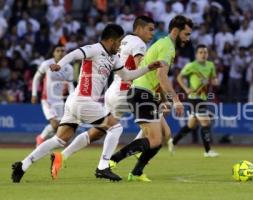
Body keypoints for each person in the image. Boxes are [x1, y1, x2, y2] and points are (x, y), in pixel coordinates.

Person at [11, 24, 162, 183]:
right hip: (83, 101)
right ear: (111, 41)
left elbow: (127, 75)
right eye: (118, 42)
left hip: (76, 102)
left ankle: (22, 165)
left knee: (60, 139)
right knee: (115, 127)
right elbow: (74, 54)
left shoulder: (113, 57)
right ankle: (103, 167)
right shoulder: (95, 49)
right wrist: (60, 64)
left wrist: (148, 68)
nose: (119, 46)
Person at [49, 16, 171, 180]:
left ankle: (62, 156)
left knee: (99, 131)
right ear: (139, 28)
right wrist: (158, 93)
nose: (152, 33)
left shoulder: (125, 40)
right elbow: (137, 66)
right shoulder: (139, 44)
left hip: (113, 90)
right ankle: (112, 162)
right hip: (125, 92)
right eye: (150, 29)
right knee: (157, 127)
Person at [109, 15, 193, 182]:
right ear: (177, 30)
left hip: (145, 93)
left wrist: (163, 101)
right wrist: (176, 100)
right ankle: (113, 160)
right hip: (142, 93)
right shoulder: (168, 47)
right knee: (155, 139)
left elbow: (156, 78)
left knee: (162, 135)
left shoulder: (164, 44)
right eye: (187, 34)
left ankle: (136, 172)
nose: (188, 38)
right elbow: (162, 76)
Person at [169, 44, 220, 157]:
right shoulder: (191, 66)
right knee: (205, 122)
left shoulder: (211, 65)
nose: (203, 54)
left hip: (203, 98)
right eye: (201, 52)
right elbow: (179, 77)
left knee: (191, 126)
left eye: (205, 52)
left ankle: (173, 141)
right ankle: (208, 151)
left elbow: (214, 79)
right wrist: (186, 88)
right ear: (196, 54)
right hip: (194, 98)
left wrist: (212, 82)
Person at [32, 45, 74, 146]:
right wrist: (34, 94)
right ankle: (41, 139)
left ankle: (41, 138)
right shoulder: (46, 64)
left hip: (59, 100)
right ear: (53, 53)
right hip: (47, 99)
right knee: (55, 125)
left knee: (59, 126)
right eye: (58, 50)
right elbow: (36, 78)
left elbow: (70, 84)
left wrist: (73, 97)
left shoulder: (69, 67)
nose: (60, 52)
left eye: (63, 51)